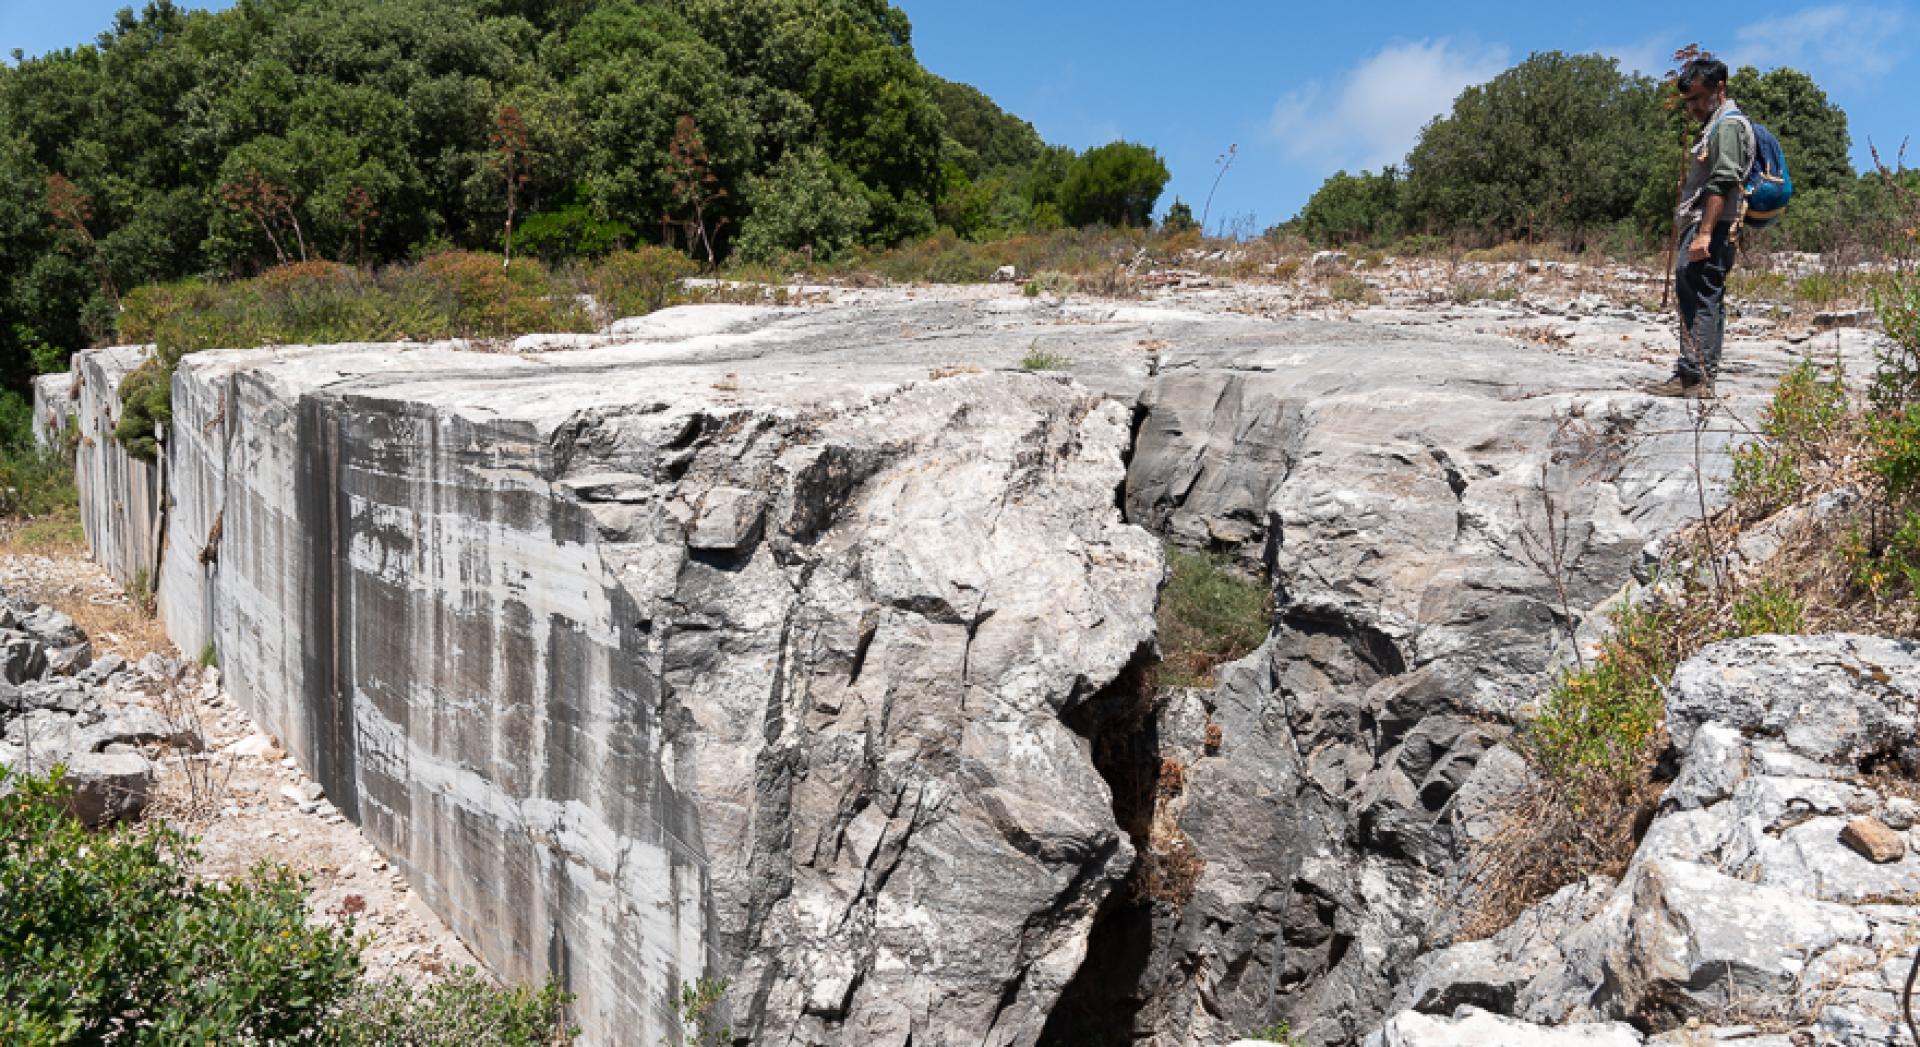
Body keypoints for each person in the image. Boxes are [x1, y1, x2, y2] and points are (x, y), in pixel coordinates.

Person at [1646, 57, 1754, 399]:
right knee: (1693, 289)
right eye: (1687, 100)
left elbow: (1723, 181)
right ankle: (1692, 373)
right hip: (1705, 226)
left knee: (1703, 292)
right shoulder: (1714, 125)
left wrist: (1706, 233)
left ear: (1718, 88)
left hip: (1714, 227)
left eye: (1697, 98)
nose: (1691, 107)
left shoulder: (1728, 126)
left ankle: (1696, 378)